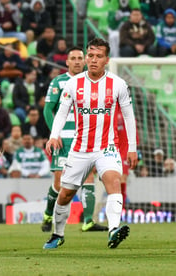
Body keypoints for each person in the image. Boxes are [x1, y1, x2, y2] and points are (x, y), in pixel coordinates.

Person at [43, 38, 138, 249]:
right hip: (79, 149)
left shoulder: (118, 84)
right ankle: (57, 234)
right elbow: (61, 112)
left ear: (107, 60)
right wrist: (54, 135)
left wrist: (132, 147)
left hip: (107, 147)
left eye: (98, 56)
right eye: (90, 56)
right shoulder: (73, 84)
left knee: (113, 182)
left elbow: (129, 116)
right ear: (87, 58)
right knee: (65, 193)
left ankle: (113, 230)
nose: (93, 60)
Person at [41, 46, 108, 233]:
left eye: (81, 58)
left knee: (88, 176)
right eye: (74, 58)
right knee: (59, 183)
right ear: (67, 62)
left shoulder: (93, 82)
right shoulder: (59, 82)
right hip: (64, 139)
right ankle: (48, 214)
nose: (78, 61)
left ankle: (88, 221)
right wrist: (55, 135)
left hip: (85, 138)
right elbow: (48, 109)